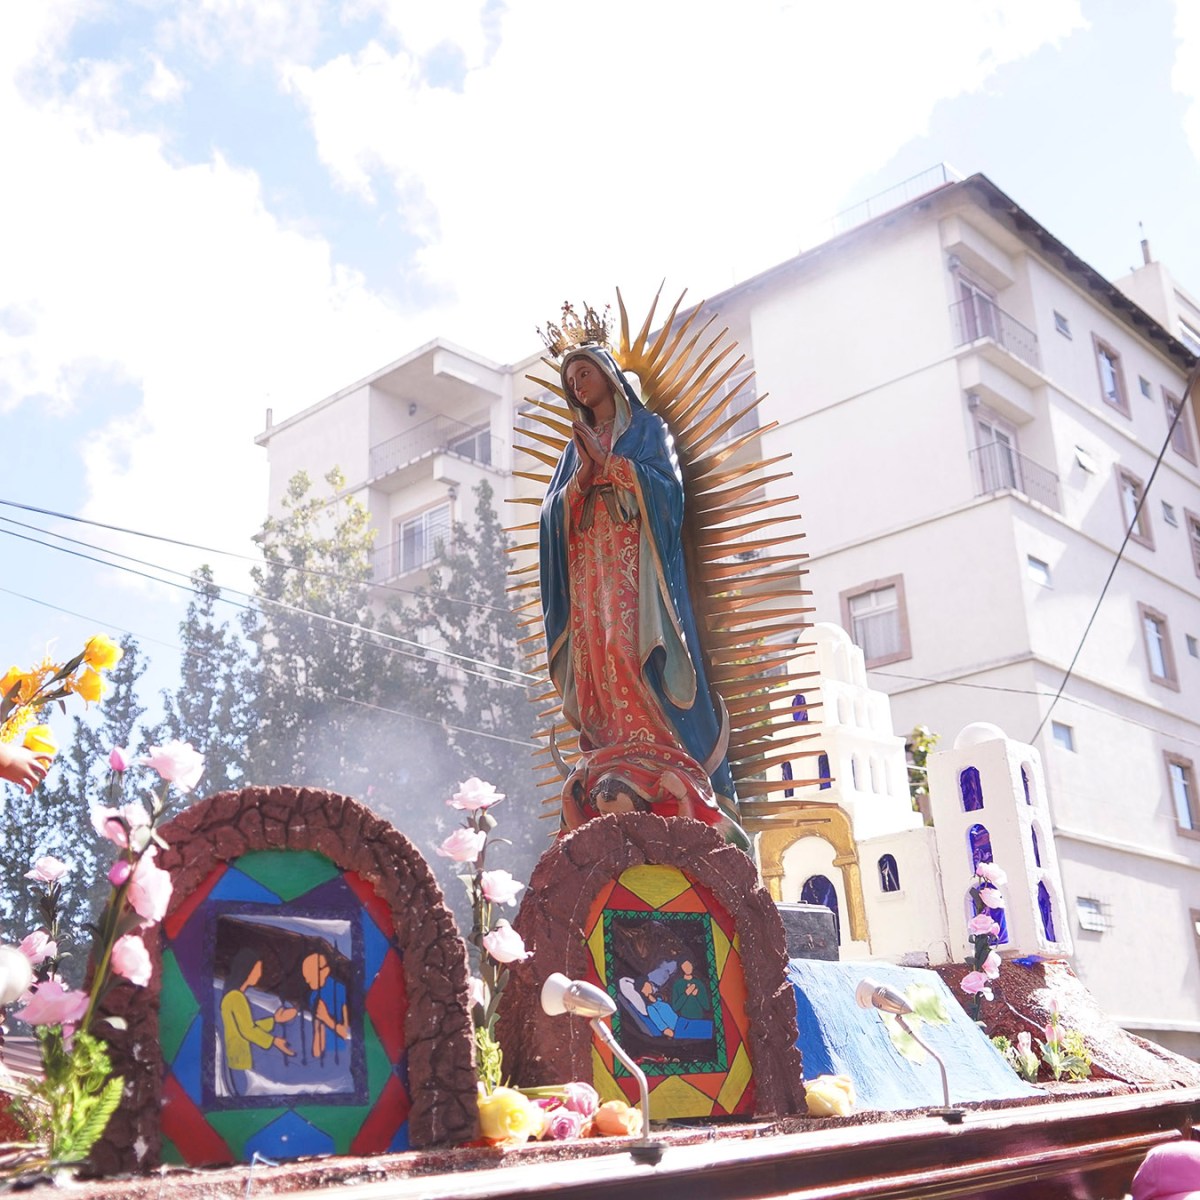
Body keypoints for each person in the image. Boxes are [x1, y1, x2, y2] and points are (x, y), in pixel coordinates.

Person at [539, 341, 744, 845]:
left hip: (637, 571)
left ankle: (655, 743)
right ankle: (612, 740)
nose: (577, 385)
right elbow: (550, 517)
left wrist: (612, 467)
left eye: (583, 373)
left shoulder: (648, 429)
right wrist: (580, 482)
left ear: (608, 374)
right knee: (601, 653)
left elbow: (668, 492)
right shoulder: (573, 448)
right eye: (571, 380)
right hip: (591, 572)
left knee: (629, 646)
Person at [220, 948, 297, 1094]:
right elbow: (248, 1031)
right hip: (239, 1060)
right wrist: (274, 1041)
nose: (259, 973)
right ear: (246, 970)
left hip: (237, 1058)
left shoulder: (234, 996)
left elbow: (249, 1026)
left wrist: (275, 1020)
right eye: (257, 969)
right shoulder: (236, 998)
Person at [301, 951, 350, 1060]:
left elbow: (347, 1033)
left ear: (325, 971)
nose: (307, 980)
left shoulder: (340, 990)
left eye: (310, 975)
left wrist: (326, 1018)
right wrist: (316, 1053)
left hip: (342, 1054)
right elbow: (318, 1028)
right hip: (325, 1058)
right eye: (305, 976)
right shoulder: (314, 995)